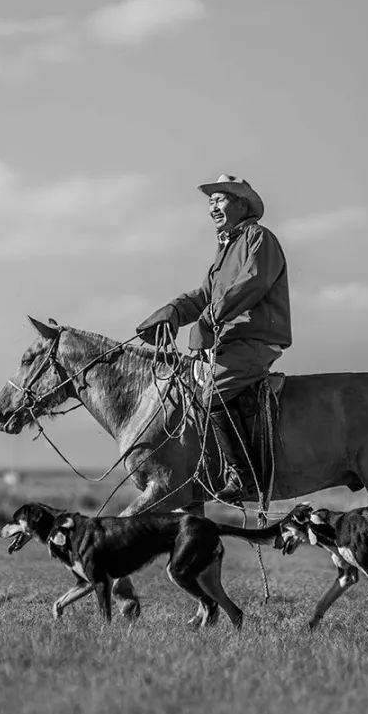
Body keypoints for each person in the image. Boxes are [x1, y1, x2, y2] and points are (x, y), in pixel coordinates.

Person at [135, 174, 291, 502]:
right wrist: (172, 312)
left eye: (219, 199)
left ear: (241, 203)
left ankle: (244, 477)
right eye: (210, 202)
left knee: (212, 392)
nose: (212, 207)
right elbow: (204, 295)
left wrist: (209, 319)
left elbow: (252, 283)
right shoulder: (225, 250)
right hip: (231, 342)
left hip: (254, 340)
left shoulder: (258, 238)